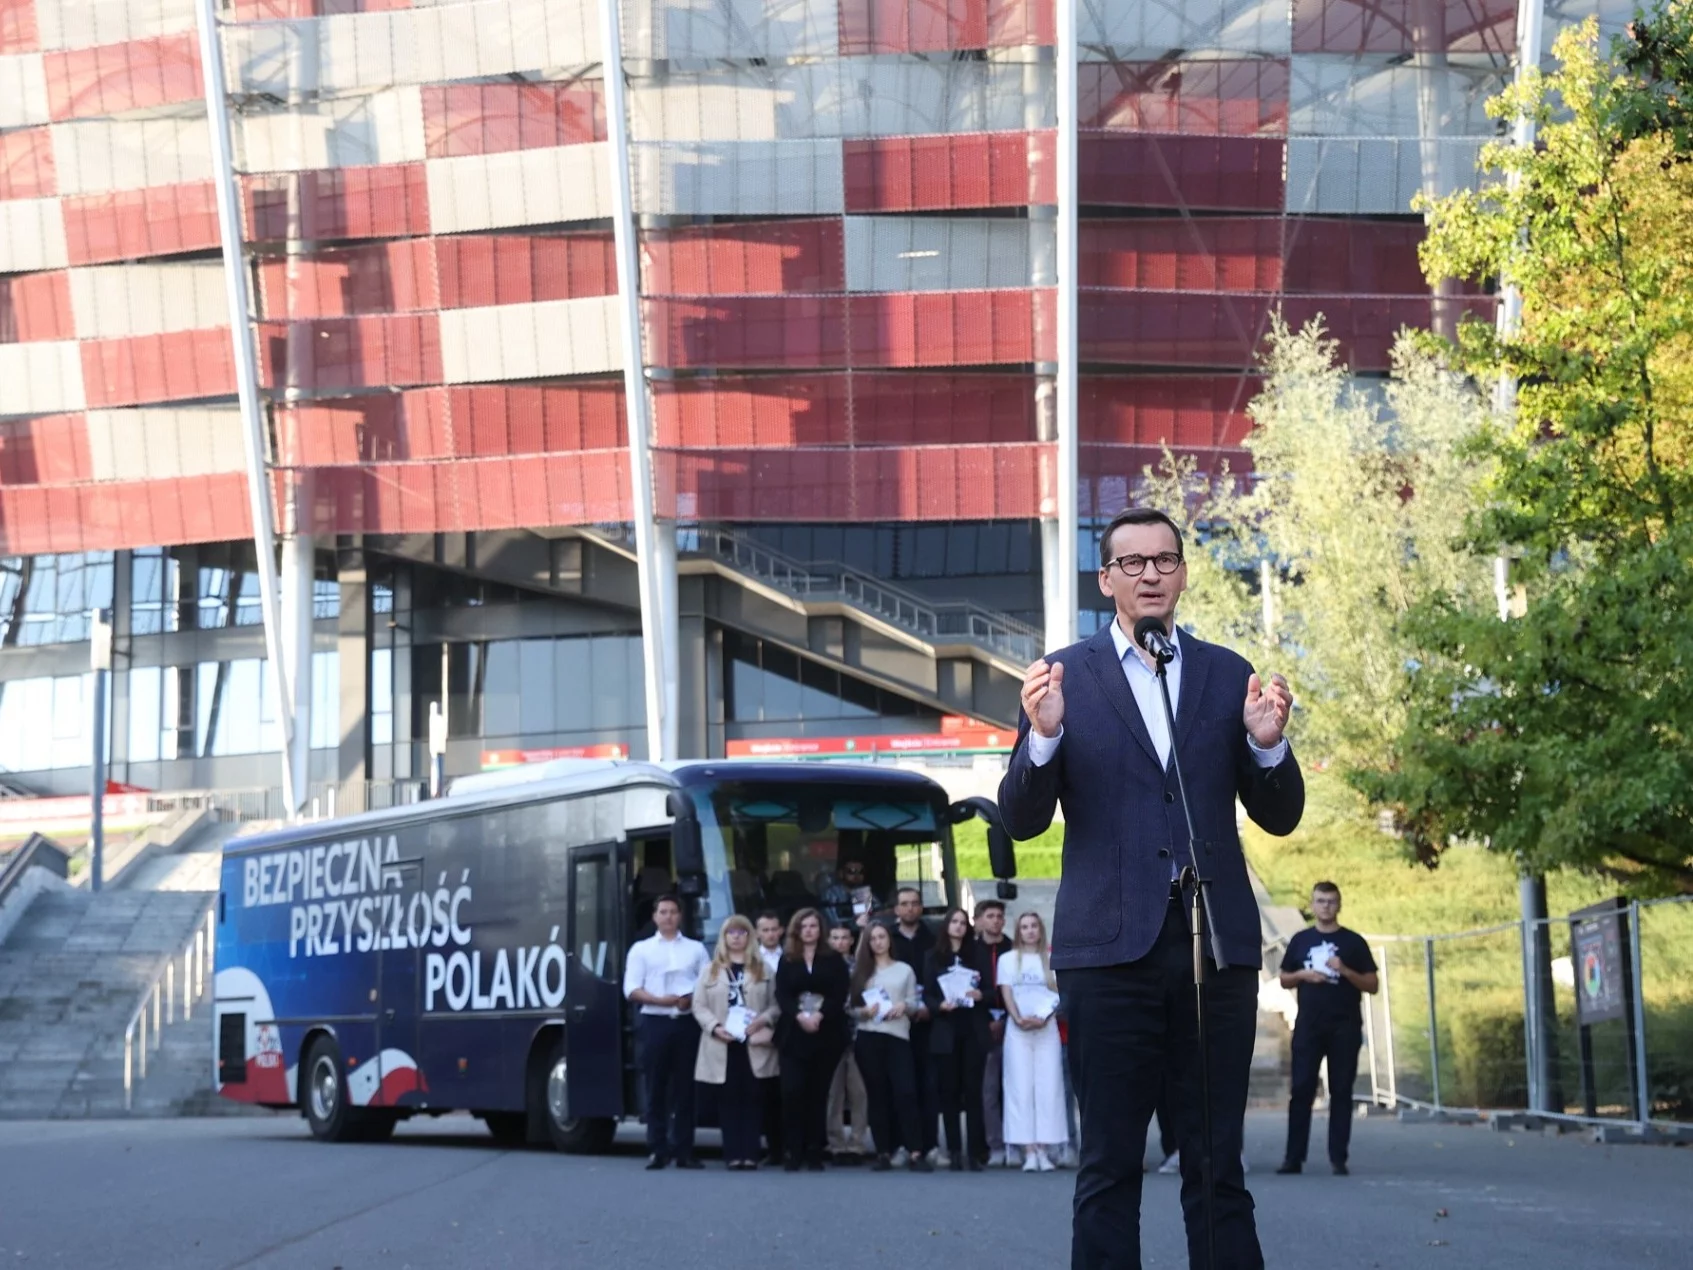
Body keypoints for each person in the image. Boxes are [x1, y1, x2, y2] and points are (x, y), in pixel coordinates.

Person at [998, 506, 1303, 1269]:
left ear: (1182, 574)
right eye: (1131, 564)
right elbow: (1021, 819)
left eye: (1163, 561)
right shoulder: (1063, 675)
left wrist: (1267, 748)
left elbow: (1280, 814)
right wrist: (1044, 736)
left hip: (1214, 949)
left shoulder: (1226, 673)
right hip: (1108, 954)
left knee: (1216, 1165)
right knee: (1108, 1165)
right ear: (1106, 580)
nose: (1150, 575)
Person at [1277, 881, 1378, 1177]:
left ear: (1339, 904)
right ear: (1312, 905)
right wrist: (1303, 975)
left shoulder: (1353, 943)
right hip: (1309, 1025)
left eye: (1331, 901)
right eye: (1320, 901)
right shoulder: (1300, 940)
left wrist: (1345, 970)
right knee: (1301, 1090)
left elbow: (1372, 984)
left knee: (1341, 1091)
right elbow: (1284, 978)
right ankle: (1293, 1158)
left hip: (1345, 1027)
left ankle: (1338, 1158)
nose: (1326, 906)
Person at [622, 894, 711, 1170]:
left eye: (673, 911)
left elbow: (708, 983)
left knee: (686, 1090)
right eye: (663, 912)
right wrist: (662, 1000)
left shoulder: (696, 949)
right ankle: (657, 1149)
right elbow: (631, 989)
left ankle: (684, 1150)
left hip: (686, 1022)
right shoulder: (641, 950)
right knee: (655, 1087)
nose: (668, 916)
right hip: (655, 1022)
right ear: (655, 916)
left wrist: (688, 1000)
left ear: (680, 916)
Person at [692, 915, 780, 1170]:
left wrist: (763, 1020)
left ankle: (750, 1154)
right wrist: (715, 1027)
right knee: (729, 1100)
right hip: (723, 1042)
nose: (737, 937)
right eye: (732, 932)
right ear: (724, 937)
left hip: (753, 1041)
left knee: (753, 1098)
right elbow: (698, 1005)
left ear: (750, 936)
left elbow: (777, 1004)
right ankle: (733, 1154)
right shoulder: (710, 970)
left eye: (742, 932)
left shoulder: (763, 968)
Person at [850, 921, 932, 1173]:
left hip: (898, 1036)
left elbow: (914, 1000)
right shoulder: (861, 972)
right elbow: (850, 1008)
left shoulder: (904, 970)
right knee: (877, 1095)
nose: (877, 942)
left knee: (905, 1092)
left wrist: (904, 1007)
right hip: (869, 1036)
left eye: (881, 936)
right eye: (872, 938)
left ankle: (915, 1151)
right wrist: (864, 1011)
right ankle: (883, 1151)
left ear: (889, 939)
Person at [772, 906, 851, 1171]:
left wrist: (819, 1015)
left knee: (818, 1094)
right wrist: (798, 1016)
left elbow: (840, 993)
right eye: (804, 926)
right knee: (792, 1092)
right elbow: (781, 994)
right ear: (797, 930)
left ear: (821, 930)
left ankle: (814, 1150)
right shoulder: (787, 959)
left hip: (825, 1033)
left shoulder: (833, 959)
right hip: (794, 1035)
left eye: (813, 926)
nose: (808, 931)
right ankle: (793, 1151)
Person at [998, 911, 1068, 1172]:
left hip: (1046, 1029)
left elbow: (1059, 994)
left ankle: (1044, 1148)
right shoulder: (1007, 960)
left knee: (1048, 1087)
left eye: (1033, 926)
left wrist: (1043, 1017)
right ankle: (1027, 1149)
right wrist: (1017, 1018)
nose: (1029, 931)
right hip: (1017, 1032)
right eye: (1024, 926)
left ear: (1040, 930)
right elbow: (1006, 993)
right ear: (1018, 931)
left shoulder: (1051, 959)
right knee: (1020, 1087)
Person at [925, 906, 992, 1171]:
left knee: (973, 1092)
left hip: (972, 1029)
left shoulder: (978, 953)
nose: (959, 926)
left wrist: (980, 996)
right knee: (949, 1092)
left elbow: (990, 990)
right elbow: (927, 994)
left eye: (963, 922)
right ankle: (954, 1150)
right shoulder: (933, 956)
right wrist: (939, 1006)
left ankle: (975, 1151)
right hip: (945, 1030)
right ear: (946, 925)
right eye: (954, 922)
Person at [887, 885, 939, 1162]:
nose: (910, 908)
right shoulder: (887, 938)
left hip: (927, 1020)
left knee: (928, 1086)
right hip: (895, 1021)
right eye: (904, 903)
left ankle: (930, 1146)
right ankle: (901, 1146)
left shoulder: (933, 937)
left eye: (915, 903)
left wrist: (927, 1007)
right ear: (895, 909)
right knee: (899, 1087)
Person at [826, 921, 872, 1161]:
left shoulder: (860, 967)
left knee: (858, 1092)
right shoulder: (825, 966)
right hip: (832, 1036)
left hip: (856, 1034)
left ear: (851, 941)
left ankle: (856, 1142)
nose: (840, 942)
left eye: (844, 938)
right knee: (834, 1094)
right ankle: (835, 1143)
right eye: (835, 938)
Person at [974, 897, 1012, 1166]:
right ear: (978, 921)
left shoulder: (1013, 947)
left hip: (1014, 1022)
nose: (995, 920)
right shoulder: (970, 950)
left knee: (1014, 1088)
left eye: (999, 916)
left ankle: (1017, 1144)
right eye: (990, 916)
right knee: (988, 1090)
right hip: (982, 1024)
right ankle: (994, 1144)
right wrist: (987, 1015)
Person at [754, 909, 787, 1163]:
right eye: (765, 930)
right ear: (757, 933)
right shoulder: (750, 961)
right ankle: (773, 1148)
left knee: (792, 1089)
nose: (770, 934)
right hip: (761, 1028)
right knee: (767, 1091)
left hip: (792, 1028)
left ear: (782, 930)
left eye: (774, 929)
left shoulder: (791, 956)